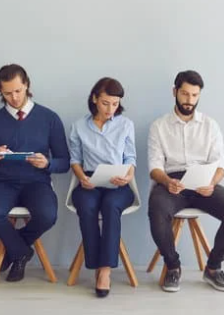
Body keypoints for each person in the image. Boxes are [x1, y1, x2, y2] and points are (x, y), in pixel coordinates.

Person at [148, 70, 224, 292]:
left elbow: (220, 165)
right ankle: (173, 267)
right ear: (175, 92)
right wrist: (166, 181)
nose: (189, 100)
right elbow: (154, 167)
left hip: (204, 182)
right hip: (172, 182)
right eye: (184, 94)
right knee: (157, 210)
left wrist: (212, 183)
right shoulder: (158, 126)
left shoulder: (211, 126)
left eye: (194, 95)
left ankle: (213, 268)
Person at [0, 64, 70, 282]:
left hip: (37, 182)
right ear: (0, 92)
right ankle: (22, 252)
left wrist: (47, 163)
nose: (14, 97)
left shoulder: (49, 118)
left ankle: (14, 249)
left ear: (27, 85)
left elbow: (65, 162)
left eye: (18, 91)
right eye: (7, 93)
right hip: (3, 183)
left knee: (48, 215)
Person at [69, 77, 136, 298]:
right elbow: (75, 160)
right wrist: (81, 178)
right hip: (89, 180)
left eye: (115, 104)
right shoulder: (79, 126)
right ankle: (95, 266)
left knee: (110, 207)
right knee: (86, 207)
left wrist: (127, 177)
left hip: (118, 182)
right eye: (106, 103)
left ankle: (104, 271)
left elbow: (131, 159)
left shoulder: (125, 124)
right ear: (95, 99)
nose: (111, 109)